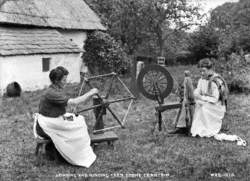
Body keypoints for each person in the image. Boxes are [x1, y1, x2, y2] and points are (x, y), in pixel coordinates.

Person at [35, 66, 98, 167]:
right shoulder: (52, 93)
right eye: (64, 79)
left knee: (79, 119)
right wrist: (91, 93)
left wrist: (67, 113)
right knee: (77, 126)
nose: (66, 81)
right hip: (46, 124)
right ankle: (77, 153)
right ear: (56, 80)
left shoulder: (55, 89)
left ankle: (78, 148)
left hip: (53, 119)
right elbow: (73, 102)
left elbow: (58, 107)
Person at [190, 58, 228, 137]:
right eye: (200, 71)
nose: (202, 73)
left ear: (210, 70)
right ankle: (194, 126)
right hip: (207, 101)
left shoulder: (215, 81)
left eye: (204, 71)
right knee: (196, 104)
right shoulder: (202, 79)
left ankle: (207, 128)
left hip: (217, 106)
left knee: (202, 107)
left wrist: (201, 97)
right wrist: (196, 93)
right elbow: (198, 89)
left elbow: (215, 99)